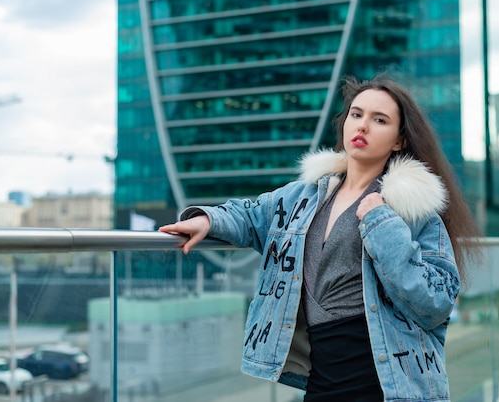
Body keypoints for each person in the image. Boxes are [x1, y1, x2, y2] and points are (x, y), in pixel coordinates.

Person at [159, 74, 481, 401]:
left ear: (399, 140)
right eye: (356, 114)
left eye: (379, 120)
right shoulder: (306, 195)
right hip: (323, 378)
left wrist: (381, 221)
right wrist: (206, 219)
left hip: (385, 384)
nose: (363, 126)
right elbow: (251, 213)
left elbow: (437, 301)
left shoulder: (413, 209)